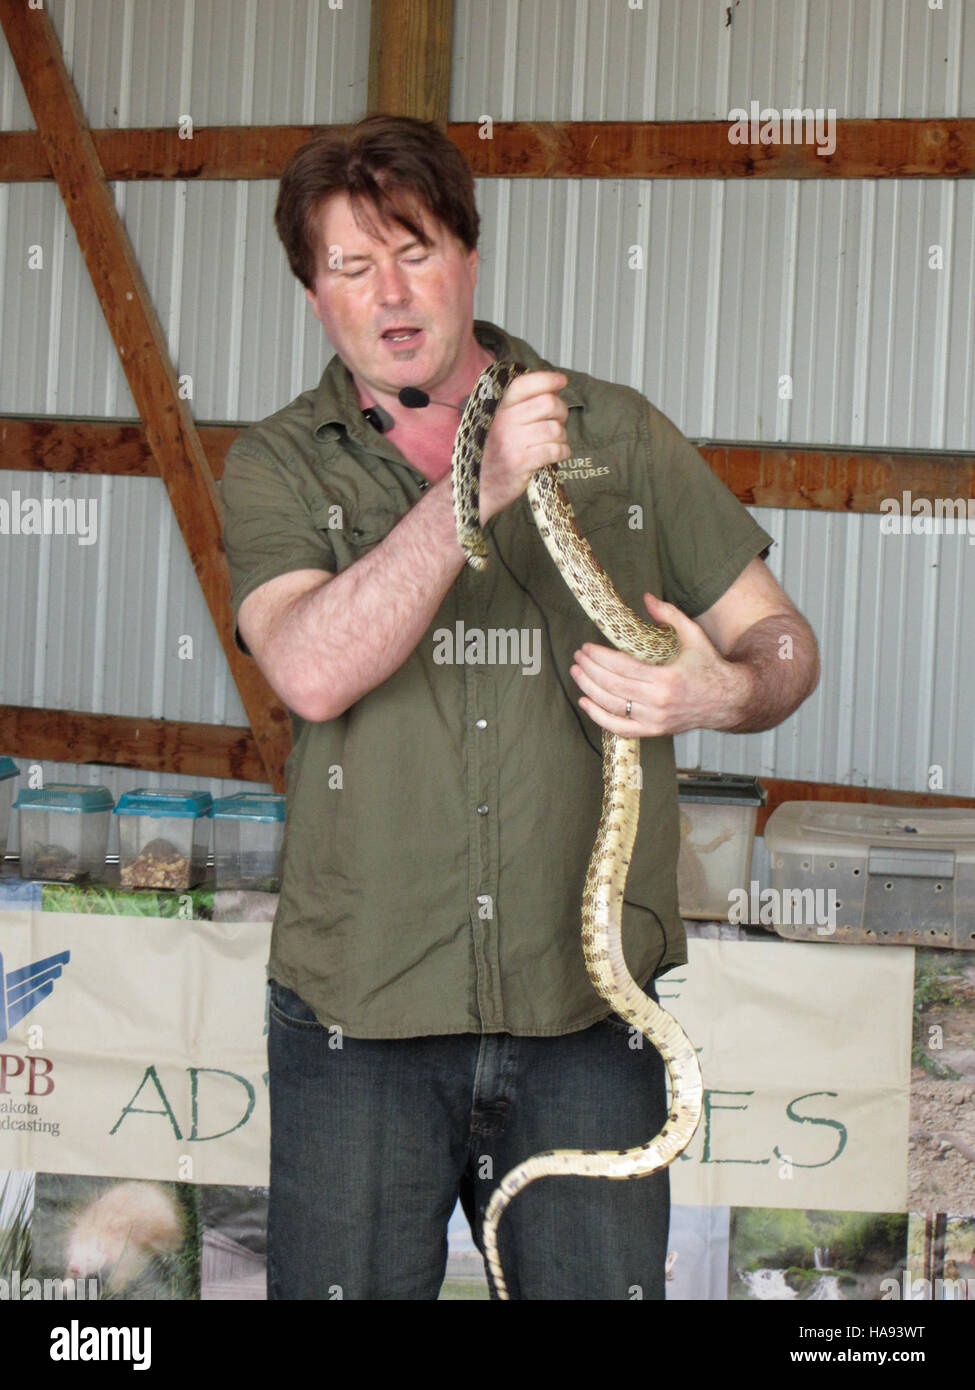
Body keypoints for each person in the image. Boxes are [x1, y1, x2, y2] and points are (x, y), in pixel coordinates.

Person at [221, 114, 819, 1301]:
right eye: (351, 266)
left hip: (587, 1016)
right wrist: (472, 488)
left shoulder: (617, 434)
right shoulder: (279, 462)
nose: (391, 292)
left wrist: (725, 687)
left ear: (471, 258)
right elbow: (310, 669)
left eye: (418, 250)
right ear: (312, 295)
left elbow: (785, 643)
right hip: (363, 1019)